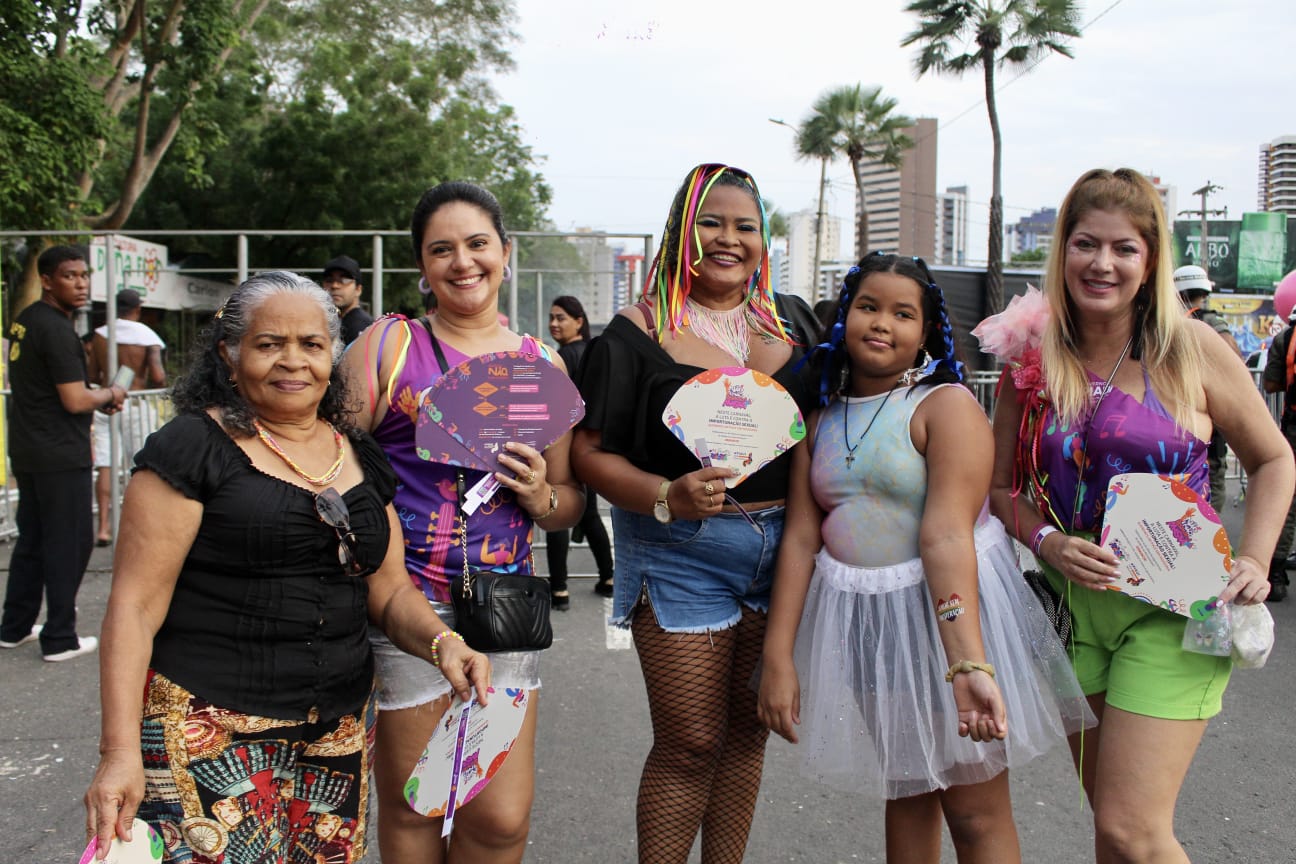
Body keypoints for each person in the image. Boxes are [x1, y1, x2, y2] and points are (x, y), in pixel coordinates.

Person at [82, 271, 491, 863]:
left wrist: (442, 642)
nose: (292, 362)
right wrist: (118, 752)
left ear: (332, 357)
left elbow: (390, 589)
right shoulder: (191, 449)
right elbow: (134, 607)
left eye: (312, 345)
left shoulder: (360, 455)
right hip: (208, 733)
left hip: (339, 733)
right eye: (268, 344)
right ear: (229, 354)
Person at [987, 168, 1292, 862]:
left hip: (1182, 607)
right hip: (1070, 609)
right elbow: (999, 489)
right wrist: (1047, 541)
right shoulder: (1028, 359)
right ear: (1062, 250)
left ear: (1150, 260)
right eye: (1086, 243)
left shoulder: (1194, 348)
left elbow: (1274, 460)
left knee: (1133, 830)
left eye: (1124, 248)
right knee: (1114, 830)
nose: (1103, 263)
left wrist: (1256, 558)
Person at [758, 253, 1090, 864]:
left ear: (926, 333)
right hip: (870, 626)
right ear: (843, 317)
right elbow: (802, 540)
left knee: (973, 811)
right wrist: (778, 656)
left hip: (954, 619)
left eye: (902, 314)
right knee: (907, 789)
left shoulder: (945, 407)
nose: (882, 323)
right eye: (868, 306)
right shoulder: (818, 421)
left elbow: (946, 536)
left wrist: (970, 664)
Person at [572, 163, 821, 864]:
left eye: (745, 226)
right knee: (690, 742)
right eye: (711, 222)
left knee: (747, 736)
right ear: (682, 230)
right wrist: (665, 495)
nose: (728, 239)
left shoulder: (794, 320)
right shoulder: (637, 330)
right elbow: (590, 454)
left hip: (786, 552)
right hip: (682, 550)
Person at [341, 181, 583, 864]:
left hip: (502, 610)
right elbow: (328, 461)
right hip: (407, 604)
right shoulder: (389, 346)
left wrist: (539, 498)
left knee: (500, 820)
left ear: (505, 253)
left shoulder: (541, 366)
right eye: (440, 249)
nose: (462, 261)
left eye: (477, 244)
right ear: (422, 265)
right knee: (420, 806)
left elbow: (571, 501)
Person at [0, 246, 126, 662]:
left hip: (30, 449)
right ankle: (60, 637)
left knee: (33, 539)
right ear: (48, 281)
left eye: (84, 274)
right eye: (70, 275)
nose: (81, 282)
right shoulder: (55, 329)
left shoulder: (25, 321)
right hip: (59, 453)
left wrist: (96, 396)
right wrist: (110, 393)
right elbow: (73, 399)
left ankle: (14, 627)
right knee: (68, 543)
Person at [545, 295, 615, 607]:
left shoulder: (562, 357)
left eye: (561, 317)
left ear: (579, 320)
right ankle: (608, 575)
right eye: (552, 318)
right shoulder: (593, 352)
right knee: (587, 515)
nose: (554, 324)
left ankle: (559, 587)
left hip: (565, 446)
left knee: (555, 511)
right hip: (591, 446)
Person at [88, 288, 167, 546]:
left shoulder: (100, 335)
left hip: (105, 404)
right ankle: (140, 526)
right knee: (142, 467)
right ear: (138, 308)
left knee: (105, 465)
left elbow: (91, 375)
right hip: (135, 404)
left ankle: (103, 527)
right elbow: (158, 376)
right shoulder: (148, 336)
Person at [1175, 264, 1241, 509]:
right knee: (1212, 476)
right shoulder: (1214, 324)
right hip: (1209, 419)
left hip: (1180, 417)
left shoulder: (1175, 324)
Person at [1261, 305, 1296, 602]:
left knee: (1289, 501)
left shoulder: (1286, 338)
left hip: (1295, 428)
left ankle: (1276, 573)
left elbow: (1270, 384)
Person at [323, 255, 373, 345]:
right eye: (329, 280)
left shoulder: (360, 326)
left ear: (358, 289)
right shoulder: (333, 322)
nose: (335, 285)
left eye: (344, 280)